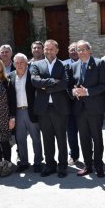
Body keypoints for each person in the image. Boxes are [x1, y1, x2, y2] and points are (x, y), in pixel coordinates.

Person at [68, 40, 105, 178]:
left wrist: (88, 92)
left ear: (89, 50)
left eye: (84, 49)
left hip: (94, 108)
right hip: (80, 109)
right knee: (84, 138)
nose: (81, 52)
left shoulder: (99, 63)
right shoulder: (73, 66)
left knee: (97, 138)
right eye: (78, 50)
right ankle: (88, 165)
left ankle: (98, 165)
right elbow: (70, 86)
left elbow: (104, 85)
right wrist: (73, 92)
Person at [31, 40, 70, 178]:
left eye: (51, 49)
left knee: (61, 138)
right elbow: (35, 81)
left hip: (59, 108)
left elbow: (64, 83)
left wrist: (44, 86)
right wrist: (53, 81)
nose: (48, 51)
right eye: (46, 49)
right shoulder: (36, 65)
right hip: (44, 108)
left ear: (57, 50)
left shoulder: (64, 65)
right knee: (47, 138)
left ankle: (63, 166)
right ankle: (50, 165)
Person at [9, 53, 43, 174]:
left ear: (26, 63)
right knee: (20, 139)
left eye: (22, 62)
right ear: (13, 64)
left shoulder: (33, 75)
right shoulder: (10, 76)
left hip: (31, 111)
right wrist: (11, 116)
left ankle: (38, 162)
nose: (19, 65)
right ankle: (24, 162)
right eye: (16, 62)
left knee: (36, 138)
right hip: (18, 112)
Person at [63, 42, 80, 165]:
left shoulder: (85, 63)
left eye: (75, 49)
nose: (73, 52)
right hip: (69, 105)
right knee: (71, 132)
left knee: (87, 133)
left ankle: (90, 154)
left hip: (84, 105)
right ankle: (73, 155)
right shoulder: (63, 64)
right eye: (71, 50)